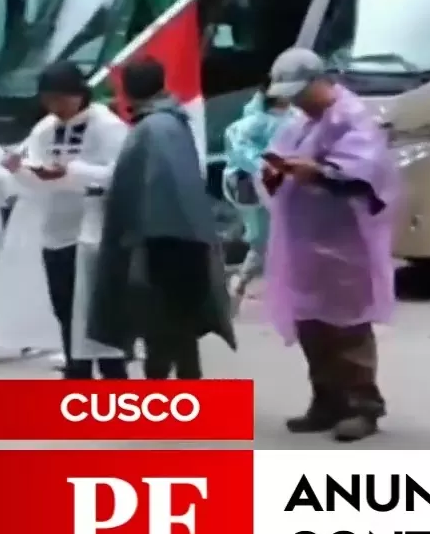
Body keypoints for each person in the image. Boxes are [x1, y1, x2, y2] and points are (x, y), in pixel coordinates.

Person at [259, 47, 401, 442]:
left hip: (344, 243)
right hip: (305, 241)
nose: (297, 100)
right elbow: (282, 158)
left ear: (321, 81)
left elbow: (366, 176)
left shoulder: (351, 118)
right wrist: (275, 172)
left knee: (348, 325)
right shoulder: (302, 122)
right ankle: (327, 400)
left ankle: (363, 405)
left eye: (301, 91)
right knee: (312, 323)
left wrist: (320, 173)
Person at [87, 56, 234, 381]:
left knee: (162, 318)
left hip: (163, 242)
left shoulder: (155, 128)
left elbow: (153, 188)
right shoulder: (169, 122)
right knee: (177, 320)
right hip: (179, 238)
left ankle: (164, 388)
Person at [0, 62, 132, 378]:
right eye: (48, 100)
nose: (54, 106)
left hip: (96, 233)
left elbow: (120, 174)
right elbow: (29, 179)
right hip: (56, 232)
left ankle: (114, 376)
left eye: (60, 99)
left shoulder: (107, 127)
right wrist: (21, 169)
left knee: (100, 312)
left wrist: (72, 171)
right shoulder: (44, 130)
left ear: (78, 94)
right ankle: (77, 372)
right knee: (65, 309)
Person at [221, 81, 297, 312]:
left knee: (278, 238)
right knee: (263, 240)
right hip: (253, 187)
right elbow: (242, 153)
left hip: (281, 185)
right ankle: (239, 285)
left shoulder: (293, 117)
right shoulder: (251, 125)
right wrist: (265, 167)